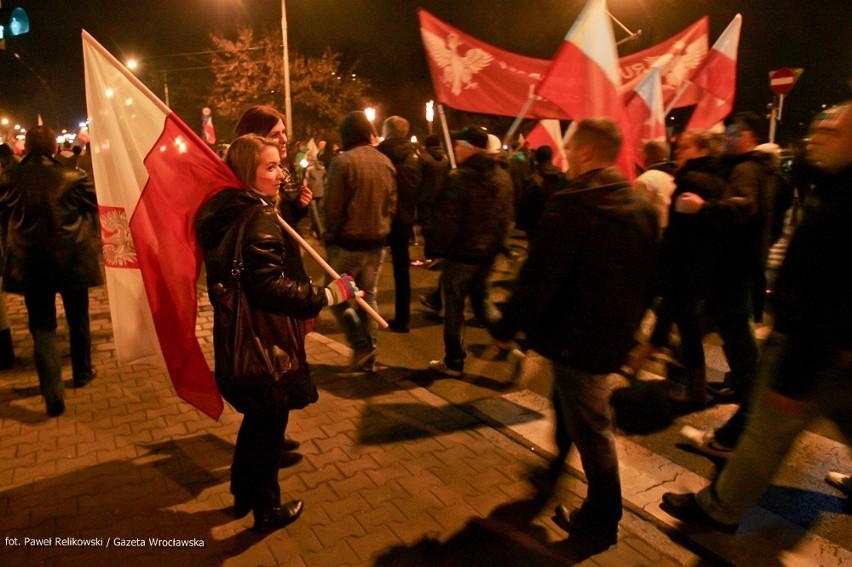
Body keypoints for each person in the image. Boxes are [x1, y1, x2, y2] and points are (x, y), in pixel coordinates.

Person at [661, 101, 852, 530]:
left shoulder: (842, 207)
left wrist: (794, 376)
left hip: (811, 342)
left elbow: (831, 292)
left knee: (765, 436)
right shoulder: (836, 187)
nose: (818, 137)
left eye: (833, 132)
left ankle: (719, 507)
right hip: (835, 342)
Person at [491, 118, 658, 547]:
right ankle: (554, 470)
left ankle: (602, 518)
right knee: (568, 407)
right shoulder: (638, 204)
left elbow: (540, 277)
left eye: (569, 149)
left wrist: (507, 327)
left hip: (574, 336)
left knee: (592, 426)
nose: (564, 159)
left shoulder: (572, 205)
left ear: (586, 152)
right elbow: (649, 276)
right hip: (610, 333)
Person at [196, 134, 360, 533]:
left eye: (279, 165)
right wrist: (327, 294)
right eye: (270, 167)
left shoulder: (228, 210)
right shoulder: (257, 216)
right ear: (246, 173)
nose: (279, 174)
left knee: (257, 421)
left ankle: (242, 493)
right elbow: (268, 285)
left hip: (239, 334)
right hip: (264, 341)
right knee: (268, 426)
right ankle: (265, 509)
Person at [0, 126, 101, 416]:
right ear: (54, 149)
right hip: (72, 260)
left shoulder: (9, 179)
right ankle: (82, 373)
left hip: (31, 264)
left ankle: (52, 389)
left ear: (27, 148)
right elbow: (96, 204)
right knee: (78, 318)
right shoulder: (73, 177)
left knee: (42, 326)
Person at [233, 105, 312, 466]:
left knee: (278, 387)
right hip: (271, 305)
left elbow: (282, 228)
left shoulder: (265, 198)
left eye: (283, 133)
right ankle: (260, 489)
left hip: (283, 289)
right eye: (276, 133)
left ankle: (267, 449)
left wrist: (297, 206)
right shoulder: (249, 207)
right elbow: (264, 274)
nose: (283, 139)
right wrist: (321, 296)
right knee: (272, 386)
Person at [626, 130, 727, 406]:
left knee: (688, 325)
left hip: (683, 265)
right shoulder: (716, 179)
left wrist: (665, 262)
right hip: (698, 265)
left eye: (685, 147)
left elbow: (680, 233)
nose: (679, 152)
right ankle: (638, 361)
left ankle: (695, 390)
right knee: (673, 315)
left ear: (701, 149)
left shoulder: (691, 180)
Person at [426, 125, 514, 376]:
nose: (455, 150)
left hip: (461, 256)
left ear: (469, 148)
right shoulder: (502, 176)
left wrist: (436, 248)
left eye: (458, 146)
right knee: (482, 303)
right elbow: (505, 218)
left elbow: (449, 221)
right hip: (487, 255)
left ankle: (454, 360)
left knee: (454, 309)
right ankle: (508, 340)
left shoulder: (460, 178)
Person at [324, 111, 397, 372]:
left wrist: (330, 237)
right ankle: (371, 354)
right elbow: (392, 204)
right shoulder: (386, 162)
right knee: (369, 296)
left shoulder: (342, 163)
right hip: (377, 242)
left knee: (335, 296)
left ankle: (360, 343)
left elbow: (333, 208)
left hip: (349, 244)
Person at [377, 116, 422, 333]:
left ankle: (366, 315)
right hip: (404, 218)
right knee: (401, 270)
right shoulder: (415, 157)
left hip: (380, 215)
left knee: (370, 266)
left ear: (386, 131)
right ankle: (403, 319)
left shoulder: (378, 154)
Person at [515, 145, 568, 244]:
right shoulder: (563, 178)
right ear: (551, 157)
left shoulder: (533, 179)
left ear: (537, 159)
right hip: (555, 224)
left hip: (535, 226)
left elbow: (524, 205)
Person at [633, 139, 676, 235]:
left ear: (645, 155)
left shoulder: (646, 179)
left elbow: (638, 214)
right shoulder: (676, 177)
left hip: (653, 236)